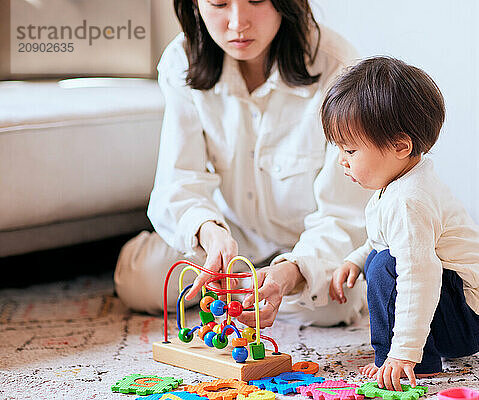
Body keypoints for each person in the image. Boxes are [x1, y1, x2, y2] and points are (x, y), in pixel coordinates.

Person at [114, 0, 372, 327]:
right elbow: (178, 180)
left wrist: (292, 271)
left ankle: (250, 290)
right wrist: (210, 233)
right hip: (228, 234)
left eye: (255, 1)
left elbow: (344, 213)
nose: (238, 23)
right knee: (142, 281)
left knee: (335, 305)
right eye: (219, 3)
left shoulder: (338, 67)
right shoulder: (181, 61)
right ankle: (242, 288)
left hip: (306, 242)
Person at [323, 57, 479, 391]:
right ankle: (398, 354)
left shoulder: (410, 199)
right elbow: (383, 235)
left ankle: (411, 362)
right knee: (376, 259)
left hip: (470, 319)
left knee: (385, 267)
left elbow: (419, 276)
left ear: (400, 146)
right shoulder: (397, 184)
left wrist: (404, 352)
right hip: (457, 309)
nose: (341, 160)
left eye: (350, 149)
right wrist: (355, 257)